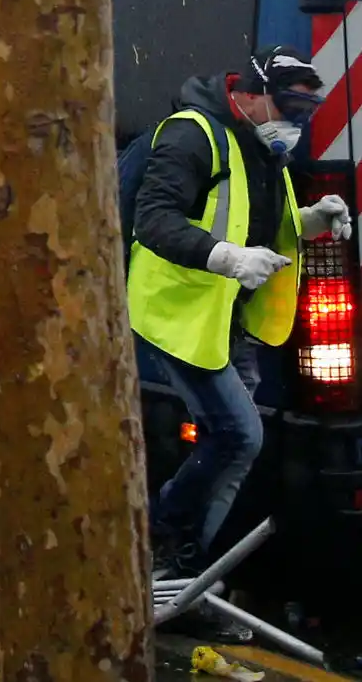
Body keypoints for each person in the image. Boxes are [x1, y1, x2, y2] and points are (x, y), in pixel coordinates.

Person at [131, 46, 345, 637]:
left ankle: (182, 580)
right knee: (238, 436)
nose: (294, 123)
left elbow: (259, 223)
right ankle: (163, 536)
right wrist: (226, 258)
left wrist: (313, 219)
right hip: (180, 314)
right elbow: (154, 219)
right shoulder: (193, 134)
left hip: (229, 320)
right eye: (287, 107)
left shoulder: (261, 145)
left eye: (305, 113)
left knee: (234, 446)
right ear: (248, 93)